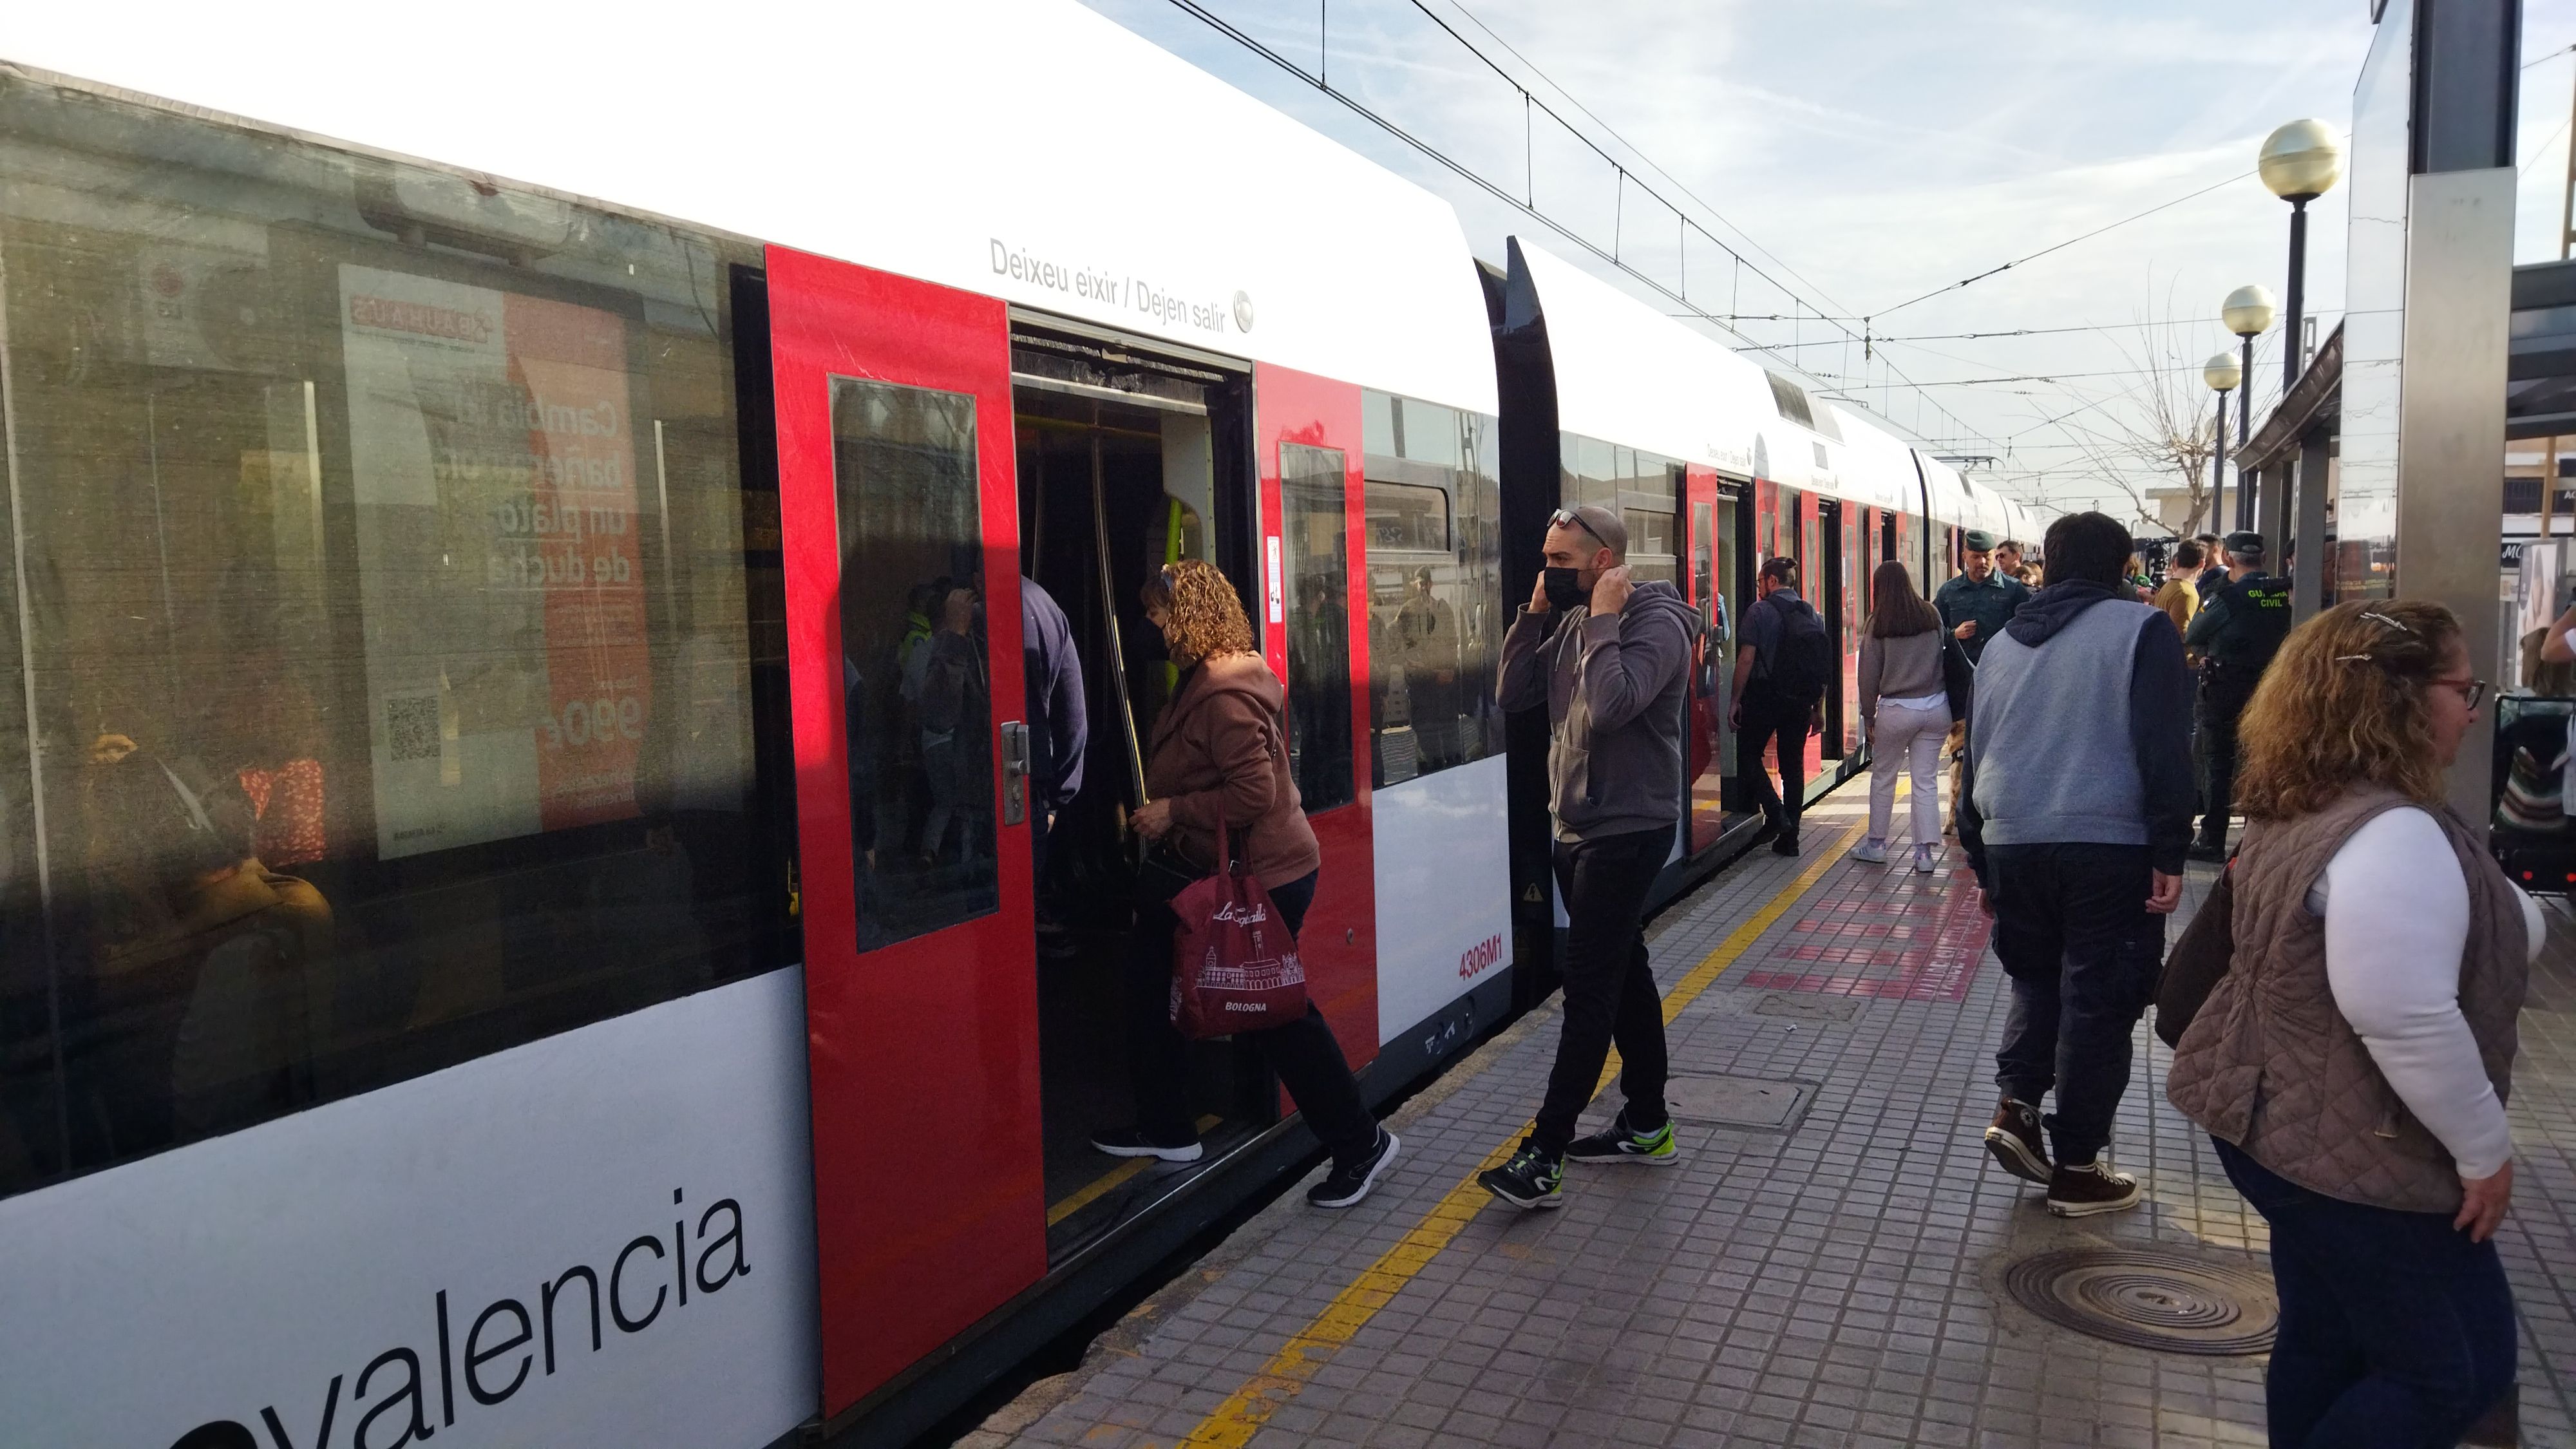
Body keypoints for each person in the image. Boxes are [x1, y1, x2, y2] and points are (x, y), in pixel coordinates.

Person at [2168, 600, 2532, 1448]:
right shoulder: (2391, 830)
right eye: (2460, 686)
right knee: (2453, 1374)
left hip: (2278, 1121)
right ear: (2399, 700)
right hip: (2360, 1148)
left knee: (2326, 1335)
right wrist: (2485, 1151)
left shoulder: (2306, 807)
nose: (2473, 708)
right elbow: (2399, 1010)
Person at [1092, 561, 1397, 1209]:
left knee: (1275, 1015)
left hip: (1262, 877)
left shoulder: (1223, 695)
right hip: (1213, 870)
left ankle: (1361, 1142)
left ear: (1187, 620)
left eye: (1155, 614)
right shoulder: (1208, 677)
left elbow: (1254, 794)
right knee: (1152, 981)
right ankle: (1169, 1127)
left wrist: (1174, 811)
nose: (1148, 626)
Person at [1959, 511, 2192, 1216]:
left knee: (2034, 982)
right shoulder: (2141, 630)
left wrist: (1980, 862)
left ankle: (2017, 1108)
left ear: (2048, 564)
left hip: (2012, 842)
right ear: (2122, 566)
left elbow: (1975, 754)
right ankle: (2078, 1168)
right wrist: (2170, 849)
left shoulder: (2001, 643)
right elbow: (2164, 747)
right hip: (2107, 847)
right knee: (2101, 1002)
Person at [1482, 503, 1696, 1209]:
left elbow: (1611, 707)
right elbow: (1511, 695)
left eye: (1562, 562)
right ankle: (1647, 1123)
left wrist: (1603, 619)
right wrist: (1534, 616)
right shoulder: (1569, 620)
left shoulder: (1658, 623)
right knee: (1625, 973)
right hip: (1574, 826)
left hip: (1627, 828)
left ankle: (1544, 1155)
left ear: (1604, 561)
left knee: (1590, 989)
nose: (1550, 570)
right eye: (1547, 558)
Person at [2184, 531, 2293, 862]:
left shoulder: (2229, 598)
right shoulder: (2283, 592)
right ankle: (2253, 844)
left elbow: (2193, 633)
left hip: (2225, 689)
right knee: (2261, 763)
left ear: (2228, 559)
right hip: (2271, 689)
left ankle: (2213, 841)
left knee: (2218, 764)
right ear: (2263, 558)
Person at [1853, 560, 1949, 873]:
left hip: (1896, 710)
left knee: (1884, 778)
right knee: (1925, 781)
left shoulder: (1877, 624)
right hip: (1935, 708)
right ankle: (1924, 855)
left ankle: (1877, 845)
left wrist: (1869, 716)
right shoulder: (1931, 614)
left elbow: (1868, 676)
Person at [1730, 556, 1830, 855]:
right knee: (1792, 767)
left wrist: (1735, 699)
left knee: (1747, 755)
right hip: (1800, 700)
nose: (1760, 586)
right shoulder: (1812, 614)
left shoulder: (1758, 612)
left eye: (1761, 581)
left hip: (1763, 696)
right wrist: (1818, 708)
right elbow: (1820, 668)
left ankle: (1775, 814)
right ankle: (1791, 839)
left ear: (1772, 581)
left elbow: (1746, 659)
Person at [1021, 575, 1087, 893]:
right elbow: (1073, 717)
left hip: (970, 800)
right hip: (1030, 793)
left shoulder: (962, 611)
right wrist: (1056, 799)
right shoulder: (1044, 604)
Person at [1934, 529, 2031, 667]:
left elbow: (2026, 629)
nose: (1982, 562)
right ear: (1964, 557)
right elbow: (1934, 631)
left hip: (2000, 668)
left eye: (1987, 556)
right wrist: (1954, 634)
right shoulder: (1949, 591)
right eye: (1976, 557)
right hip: (1961, 671)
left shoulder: (2013, 589)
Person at [2153, 538, 2205, 639]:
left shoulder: (2168, 586)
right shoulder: (2186, 593)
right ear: (2202, 563)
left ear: (2176, 562)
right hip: (2180, 654)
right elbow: (2181, 634)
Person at [2193, 532, 2230, 601]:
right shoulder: (2225, 572)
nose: (2198, 553)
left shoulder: (2216, 574)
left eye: (2202, 549)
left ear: (2215, 550)